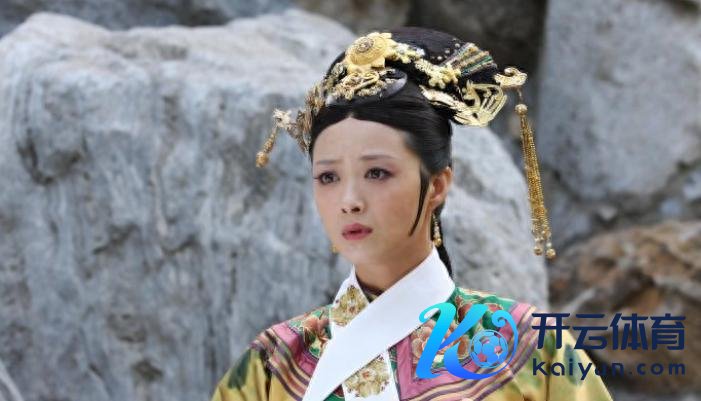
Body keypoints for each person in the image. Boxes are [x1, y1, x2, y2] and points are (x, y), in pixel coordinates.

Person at [210, 27, 613, 401]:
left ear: (437, 185)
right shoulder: (275, 361)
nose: (349, 200)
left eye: (377, 173)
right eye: (328, 177)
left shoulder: (528, 345)